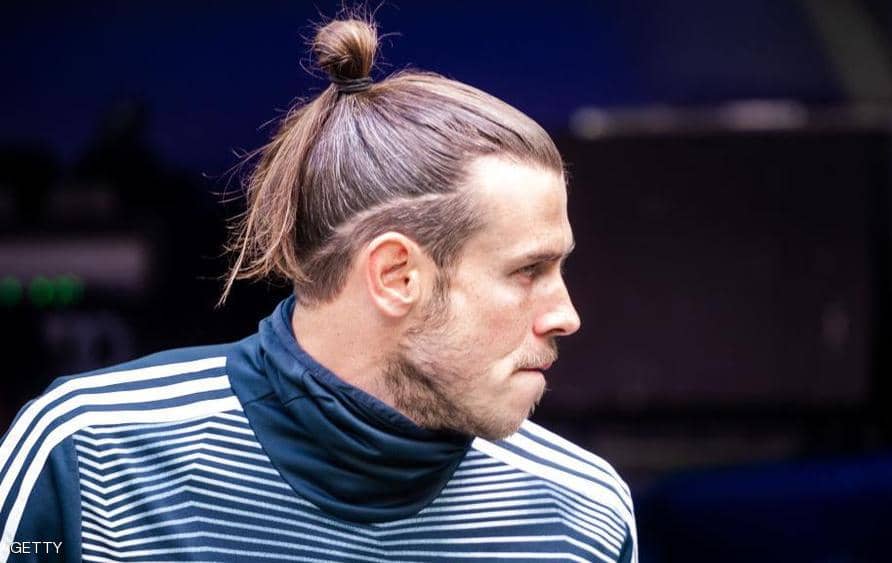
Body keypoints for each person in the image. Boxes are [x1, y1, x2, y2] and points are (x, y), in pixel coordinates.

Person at [0, 17, 637, 563]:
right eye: (528, 271)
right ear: (396, 275)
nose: (566, 315)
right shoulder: (88, 456)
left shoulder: (583, 515)